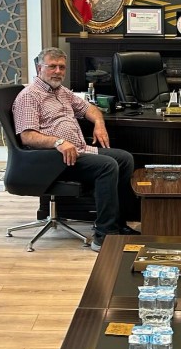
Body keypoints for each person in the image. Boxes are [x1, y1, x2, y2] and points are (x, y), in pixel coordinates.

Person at [12, 47, 137, 251]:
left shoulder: (61, 91)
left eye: (62, 67)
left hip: (77, 151)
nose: (58, 71)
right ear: (39, 68)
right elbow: (27, 136)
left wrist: (99, 124)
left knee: (124, 159)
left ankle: (117, 223)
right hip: (51, 159)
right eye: (52, 66)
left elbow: (90, 109)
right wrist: (58, 142)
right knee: (107, 166)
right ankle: (104, 235)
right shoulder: (29, 96)